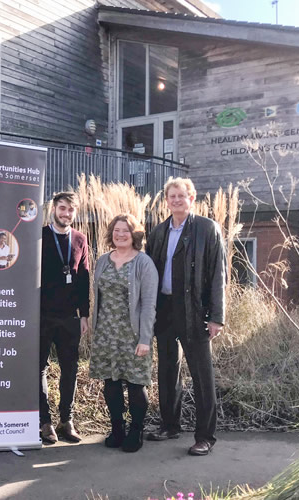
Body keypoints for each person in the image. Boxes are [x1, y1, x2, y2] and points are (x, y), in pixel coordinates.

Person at [145, 177, 226, 456]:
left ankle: (205, 436)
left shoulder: (207, 229)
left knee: (202, 375)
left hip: (194, 311)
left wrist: (216, 316)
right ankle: (170, 425)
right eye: (172, 196)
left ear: (191, 198)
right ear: (166, 201)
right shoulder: (157, 233)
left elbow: (218, 275)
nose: (176, 200)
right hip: (164, 309)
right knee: (167, 370)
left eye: (181, 196)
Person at [89, 214, 158, 452]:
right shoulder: (103, 261)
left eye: (125, 231)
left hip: (133, 334)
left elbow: (149, 304)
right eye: (116, 230)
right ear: (111, 233)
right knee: (111, 382)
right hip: (106, 331)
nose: (120, 234)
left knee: (136, 383)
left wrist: (145, 339)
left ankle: (136, 431)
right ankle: (116, 427)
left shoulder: (144, 263)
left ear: (134, 234)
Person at [39, 192, 90, 444]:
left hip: (70, 317)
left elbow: (84, 278)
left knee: (70, 368)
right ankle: (45, 422)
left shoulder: (80, 239)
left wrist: (85, 314)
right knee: (40, 368)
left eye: (71, 210)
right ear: (54, 209)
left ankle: (66, 420)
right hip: (42, 315)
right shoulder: (40, 236)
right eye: (62, 208)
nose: (66, 213)